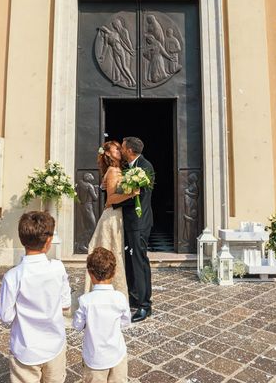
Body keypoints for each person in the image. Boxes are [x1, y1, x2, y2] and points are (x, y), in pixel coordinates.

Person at [0, 211, 71, 383]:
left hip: (25, 348)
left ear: (22, 239)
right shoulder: (58, 268)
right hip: (54, 345)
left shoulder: (12, 276)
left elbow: (5, 316)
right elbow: (65, 305)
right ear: (49, 241)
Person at [84, 141, 139, 299]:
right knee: (112, 252)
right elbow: (112, 198)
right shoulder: (114, 170)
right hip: (113, 216)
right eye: (116, 148)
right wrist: (132, 193)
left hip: (118, 215)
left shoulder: (117, 169)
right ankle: (113, 294)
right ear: (108, 153)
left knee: (115, 252)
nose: (120, 150)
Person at [74, 247, 131, 383]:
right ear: (114, 272)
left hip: (94, 358)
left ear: (90, 273)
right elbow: (126, 322)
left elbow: (77, 325)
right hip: (117, 355)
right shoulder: (120, 298)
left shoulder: (85, 300)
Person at [115, 136, 155, 323]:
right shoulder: (128, 167)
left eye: (123, 147)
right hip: (129, 222)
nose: (121, 150)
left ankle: (145, 306)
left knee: (139, 261)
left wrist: (114, 199)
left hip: (139, 222)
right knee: (131, 261)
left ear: (129, 150)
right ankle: (134, 296)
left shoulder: (145, 167)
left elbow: (133, 195)